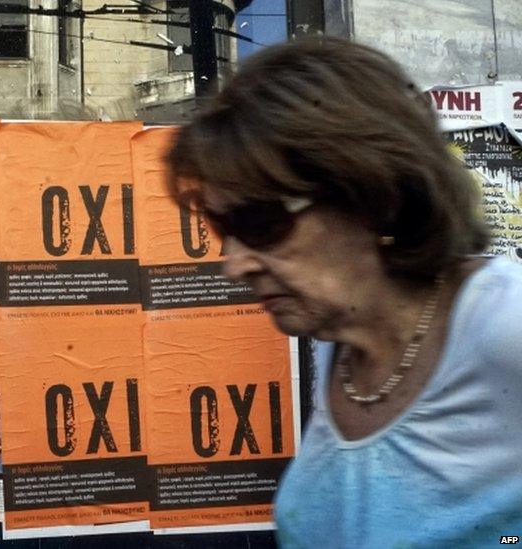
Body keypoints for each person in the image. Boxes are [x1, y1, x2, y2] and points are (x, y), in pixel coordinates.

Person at [166, 37, 522, 547]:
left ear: (375, 194)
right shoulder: (345, 343)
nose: (233, 264)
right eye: (223, 227)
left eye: (261, 222)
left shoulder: (504, 324)